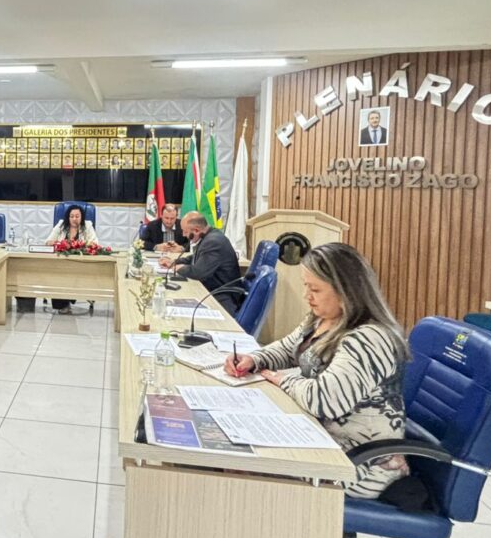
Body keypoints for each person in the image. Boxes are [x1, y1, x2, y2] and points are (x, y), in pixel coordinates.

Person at [224, 242, 409, 499]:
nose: (306, 296)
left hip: (356, 462)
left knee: (240, 466)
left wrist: (283, 380)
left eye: (315, 289)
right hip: (319, 438)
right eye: (306, 286)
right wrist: (254, 360)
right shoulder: (322, 319)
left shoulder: (369, 338)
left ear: (346, 291)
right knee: (234, 444)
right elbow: (287, 349)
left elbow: (326, 400)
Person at [160, 211, 242, 313]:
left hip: (222, 297)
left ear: (196, 230)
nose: (183, 235)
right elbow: (195, 257)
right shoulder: (209, 236)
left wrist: (179, 268)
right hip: (212, 290)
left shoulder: (213, 241)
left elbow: (198, 272)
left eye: (185, 231)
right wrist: (174, 262)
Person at [45, 204, 99, 314]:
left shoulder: (87, 226)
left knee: (70, 273)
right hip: (61, 262)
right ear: (68, 217)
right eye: (72, 216)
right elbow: (48, 241)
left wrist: (83, 245)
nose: (74, 219)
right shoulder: (61, 225)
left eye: (77, 216)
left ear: (82, 217)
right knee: (59, 274)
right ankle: (63, 303)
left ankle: (67, 300)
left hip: (80, 262)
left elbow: (95, 243)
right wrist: (57, 243)